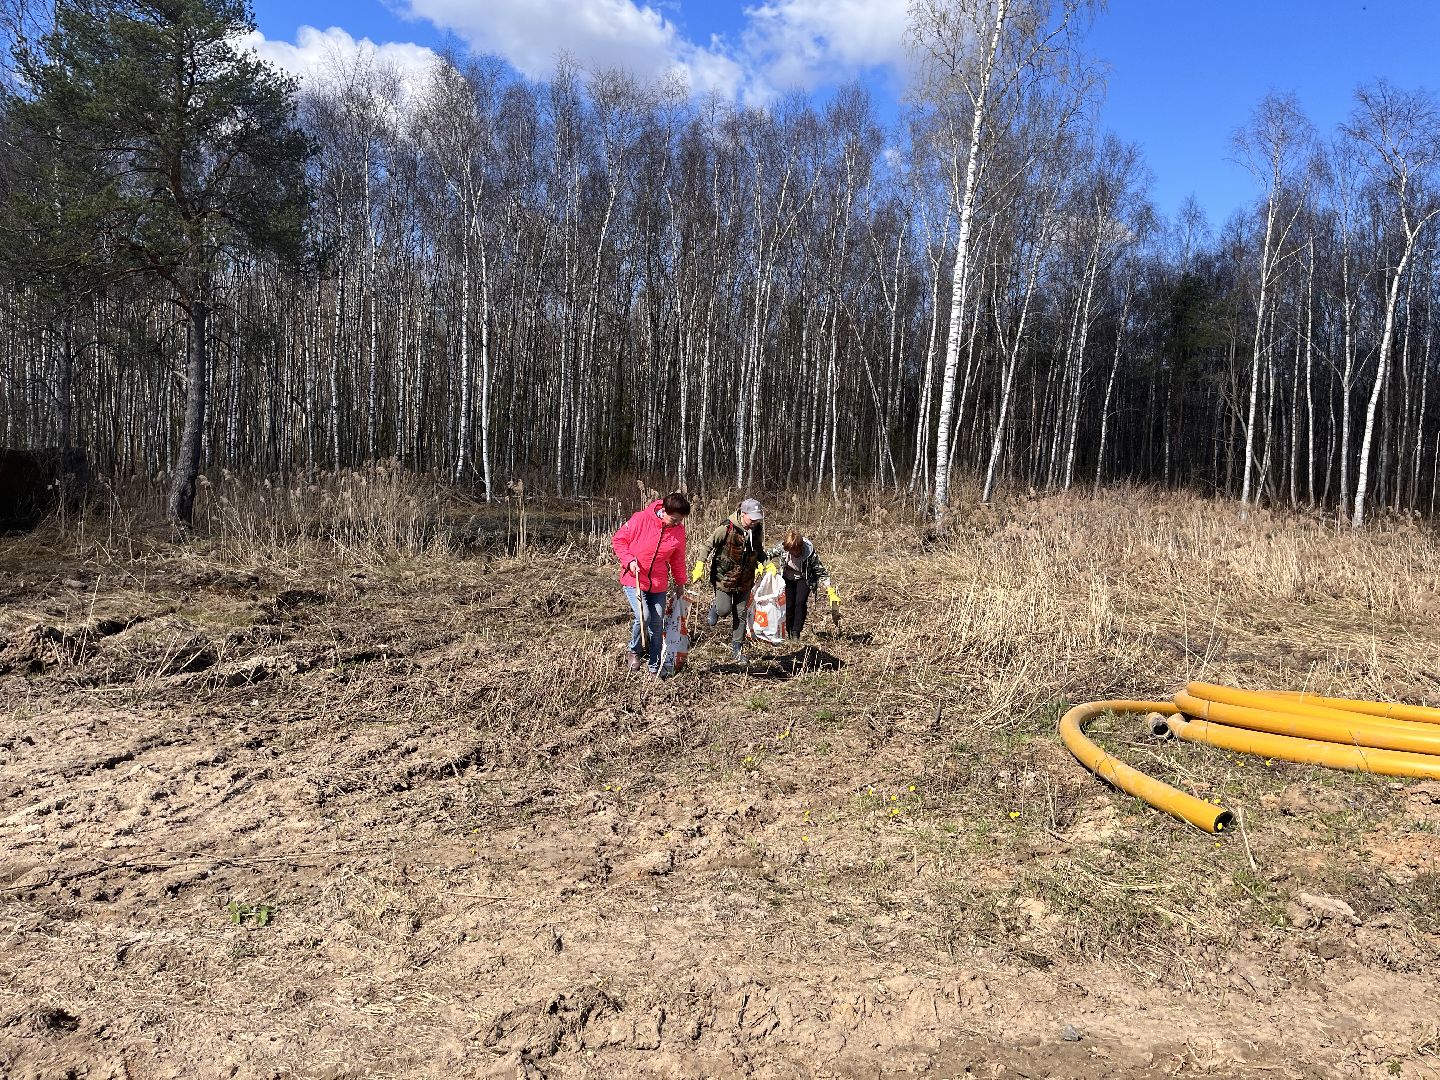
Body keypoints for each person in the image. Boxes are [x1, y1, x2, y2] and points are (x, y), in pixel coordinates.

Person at [611, 491, 690, 674]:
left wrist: (680, 583)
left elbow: (678, 559)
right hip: (634, 579)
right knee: (643, 616)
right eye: (674, 519)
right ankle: (634, 651)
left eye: (680, 520)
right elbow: (619, 540)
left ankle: (655, 660)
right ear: (664, 511)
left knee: (657, 621)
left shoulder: (678, 531)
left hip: (658, 582)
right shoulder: (641, 519)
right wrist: (629, 561)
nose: (677, 523)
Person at [704, 497, 764, 664]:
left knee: (741, 614)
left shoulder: (757, 529)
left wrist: (766, 564)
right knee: (724, 610)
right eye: (752, 518)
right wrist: (700, 564)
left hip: (745, 579)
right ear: (743, 514)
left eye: (757, 518)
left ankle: (737, 649)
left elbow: (758, 550)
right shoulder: (726, 528)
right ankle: (716, 608)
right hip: (725, 577)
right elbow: (708, 545)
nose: (755, 522)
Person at [766, 527, 832, 642]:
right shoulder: (783, 547)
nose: (792, 553)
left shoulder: (809, 553)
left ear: (800, 548)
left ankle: (796, 632)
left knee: (800, 603)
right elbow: (767, 554)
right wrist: (768, 565)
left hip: (804, 578)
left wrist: (830, 589)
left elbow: (820, 571)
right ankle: (789, 630)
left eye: (794, 551)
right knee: (789, 605)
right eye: (790, 551)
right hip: (787, 577)